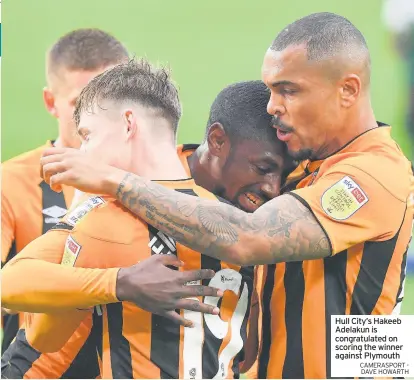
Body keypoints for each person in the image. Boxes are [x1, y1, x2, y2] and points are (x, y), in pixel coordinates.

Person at [37, 13, 413, 379]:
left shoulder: (376, 175)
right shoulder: (304, 164)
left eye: (288, 90)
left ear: (348, 90)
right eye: (271, 90)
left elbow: (249, 238)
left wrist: (116, 180)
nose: (271, 106)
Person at [1, 64, 292, 377]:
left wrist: (109, 284)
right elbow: (250, 355)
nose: (84, 152)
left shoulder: (104, 221)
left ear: (129, 124)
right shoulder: (248, 230)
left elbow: (41, 330)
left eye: (88, 136)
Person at [0, 28, 129, 378]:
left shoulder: (152, 183)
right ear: (50, 102)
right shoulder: (10, 183)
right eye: (79, 103)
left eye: (110, 99)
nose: (95, 117)